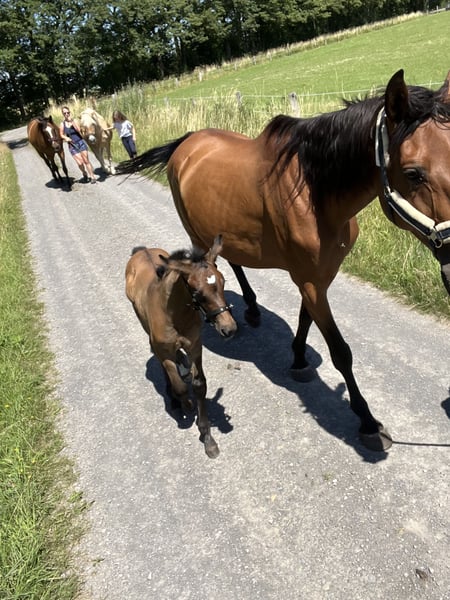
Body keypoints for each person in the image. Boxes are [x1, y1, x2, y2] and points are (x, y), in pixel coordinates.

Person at [59, 106, 97, 183]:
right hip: (72, 145)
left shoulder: (75, 121)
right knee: (80, 163)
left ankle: (92, 176)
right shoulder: (62, 124)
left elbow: (79, 130)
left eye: (68, 112)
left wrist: (72, 121)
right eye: (65, 113)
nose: (66, 114)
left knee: (86, 160)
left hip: (80, 142)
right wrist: (66, 138)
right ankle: (84, 173)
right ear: (63, 114)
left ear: (70, 112)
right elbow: (61, 134)